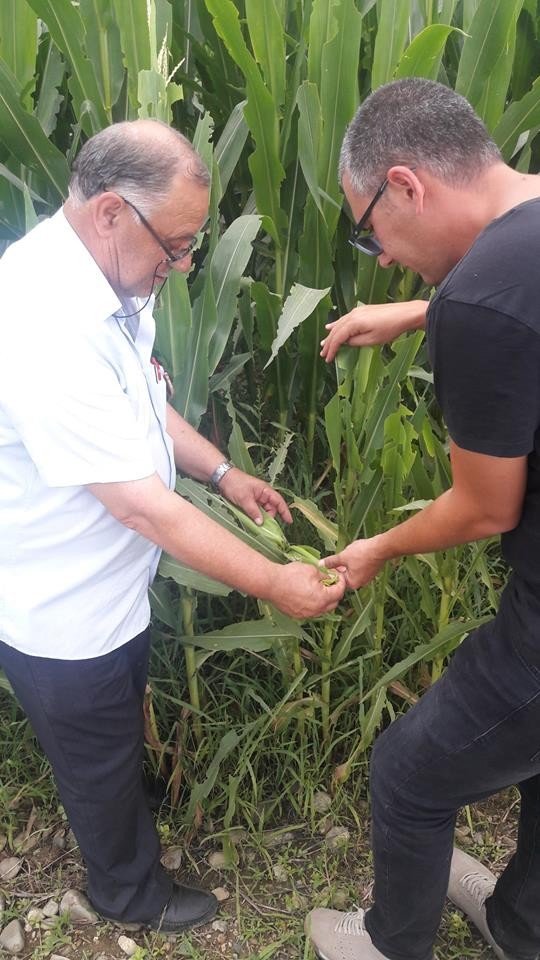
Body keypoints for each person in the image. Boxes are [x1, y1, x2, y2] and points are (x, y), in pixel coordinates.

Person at [0, 119, 345, 934]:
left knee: (113, 735)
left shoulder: (114, 281)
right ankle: (129, 894)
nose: (184, 264)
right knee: (94, 759)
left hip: (111, 586)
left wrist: (223, 472)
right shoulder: (42, 321)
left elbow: (145, 402)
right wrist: (274, 582)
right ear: (111, 212)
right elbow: (139, 505)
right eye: (178, 245)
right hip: (61, 607)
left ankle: (128, 816)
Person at [305, 78, 540, 960]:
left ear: (405, 185)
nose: (381, 259)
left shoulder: (480, 302)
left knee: (409, 771)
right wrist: (423, 310)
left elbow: (485, 507)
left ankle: (387, 946)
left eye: (371, 231)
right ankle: (521, 928)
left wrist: (377, 546)